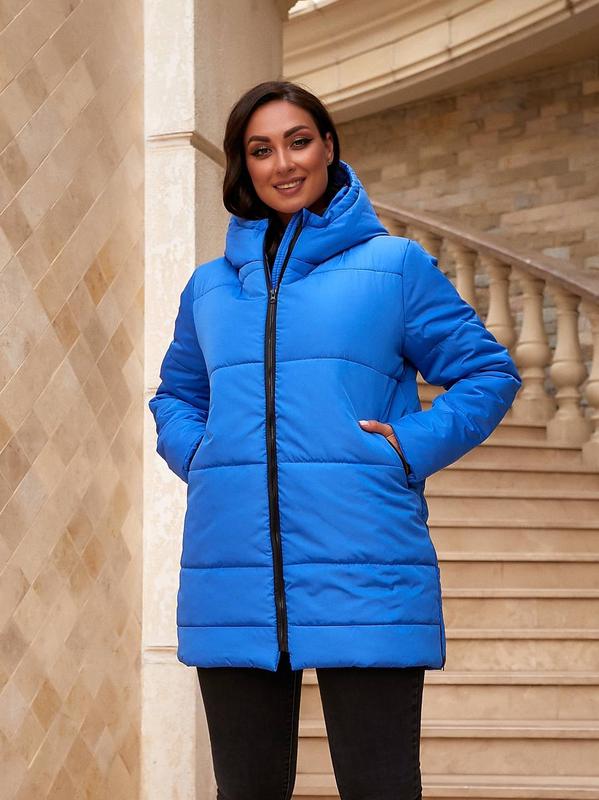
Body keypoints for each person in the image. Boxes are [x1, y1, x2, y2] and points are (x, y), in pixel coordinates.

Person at [149, 80, 522, 800]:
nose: (283, 163)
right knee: (246, 791)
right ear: (243, 165)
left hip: (367, 565)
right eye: (261, 149)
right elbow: (176, 395)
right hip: (234, 570)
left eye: (298, 141)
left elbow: (486, 372)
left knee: (379, 787)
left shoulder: (395, 266)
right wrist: (199, 453)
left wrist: (407, 447)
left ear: (327, 147)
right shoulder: (209, 289)